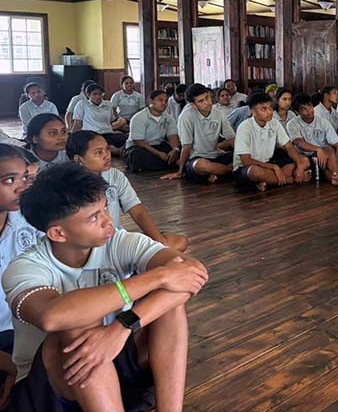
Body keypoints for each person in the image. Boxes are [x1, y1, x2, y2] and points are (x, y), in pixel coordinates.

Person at [2, 163, 208, 412]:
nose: (108, 221)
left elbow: (192, 272)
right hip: (51, 388)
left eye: (104, 209)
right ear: (58, 233)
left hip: (111, 357)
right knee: (78, 322)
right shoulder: (25, 267)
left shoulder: (118, 241)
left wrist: (121, 328)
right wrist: (159, 277)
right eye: (94, 217)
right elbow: (51, 317)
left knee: (170, 305)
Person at [68, 130, 188, 252]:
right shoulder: (66, 185)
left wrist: (162, 243)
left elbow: (138, 212)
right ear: (79, 160)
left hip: (115, 240)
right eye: (99, 152)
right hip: (86, 247)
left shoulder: (115, 175)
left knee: (178, 242)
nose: (107, 155)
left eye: (107, 149)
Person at [0, 145, 43, 409]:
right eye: (9, 180)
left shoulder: (28, 220)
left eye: (25, 178)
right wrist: (13, 365)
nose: (21, 187)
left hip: (25, 332)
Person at [233, 92, 311, 191]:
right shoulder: (244, 127)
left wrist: (299, 166)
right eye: (264, 109)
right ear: (253, 111)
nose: (269, 112)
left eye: (270, 108)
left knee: (304, 161)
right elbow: (246, 161)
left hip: (267, 163)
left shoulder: (274, 123)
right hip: (246, 167)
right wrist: (274, 167)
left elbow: (289, 146)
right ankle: (289, 180)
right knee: (255, 172)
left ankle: (267, 182)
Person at [161, 83, 235, 184]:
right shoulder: (186, 116)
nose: (207, 103)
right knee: (201, 166)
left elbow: (231, 138)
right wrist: (180, 172)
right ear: (193, 105)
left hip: (217, 155)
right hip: (196, 157)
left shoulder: (218, 113)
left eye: (207, 97)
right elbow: (186, 147)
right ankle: (233, 171)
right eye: (201, 101)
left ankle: (217, 173)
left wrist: (241, 155)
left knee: (247, 156)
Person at [287, 94, 338, 187]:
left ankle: (336, 177)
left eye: (310, 106)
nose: (309, 111)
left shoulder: (323, 122)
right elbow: (299, 142)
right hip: (304, 157)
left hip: (324, 156)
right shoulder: (292, 124)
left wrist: (334, 160)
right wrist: (318, 150)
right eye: (303, 109)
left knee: (329, 151)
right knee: (324, 156)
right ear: (297, 112)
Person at [124, 90, 181, 172]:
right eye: (160, 100)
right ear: (151, 101)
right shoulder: (139, 118)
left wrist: (175, 150)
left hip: (158, 145)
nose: (164, 103)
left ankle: (163, 163)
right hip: (141, 147)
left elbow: (172, 135)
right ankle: (170, 164)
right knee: (137, 155)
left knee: (181, 150)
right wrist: (158, 154)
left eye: (166, 101)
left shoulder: (168, 118)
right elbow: (138, 141)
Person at [71, 83, 127, 154]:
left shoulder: (108, 104)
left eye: (100, 94)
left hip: (108, 133)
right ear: (88, 95)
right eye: (95, 94)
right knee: (102, 142)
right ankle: (117, 151)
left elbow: (111, 121)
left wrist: (116, 129)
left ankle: (118, 150)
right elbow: (77, 124)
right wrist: (72, 139)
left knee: (127, 138)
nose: (98, 96)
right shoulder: (82, 104)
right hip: (92, 135)